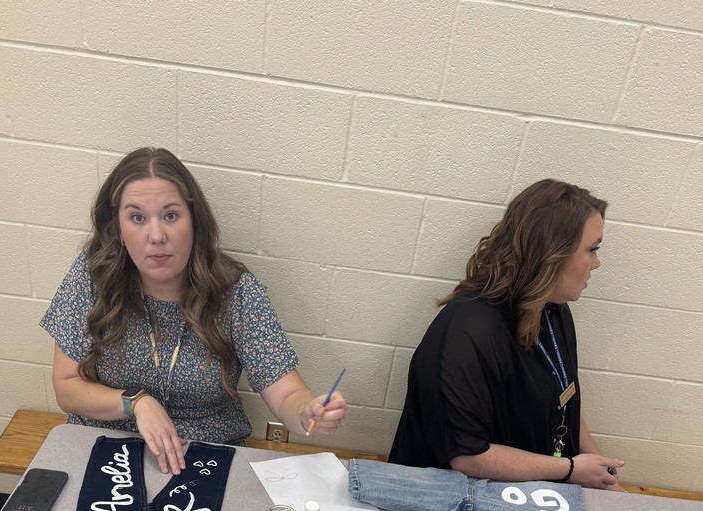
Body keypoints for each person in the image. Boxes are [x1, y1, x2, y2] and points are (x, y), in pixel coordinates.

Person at [42, 147, 346, 475]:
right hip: (104, 442)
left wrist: (306, 411)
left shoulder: (237, 293)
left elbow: (286, 393)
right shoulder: (92, 276)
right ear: (117, 228)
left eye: (171, 215)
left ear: (194, 221)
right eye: (137, 218)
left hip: (202, 456)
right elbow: (67, 387)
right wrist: (136, 402)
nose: (156, 236)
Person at [389, 179, 625, 490]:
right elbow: (469, 458)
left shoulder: (553, 310)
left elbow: (564, 399)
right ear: (551, 254)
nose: (597, 263)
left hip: (532, 486)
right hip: (450, 499)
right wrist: (568, 469)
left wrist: (607, 479)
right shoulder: (467, 332)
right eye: (591, 250)